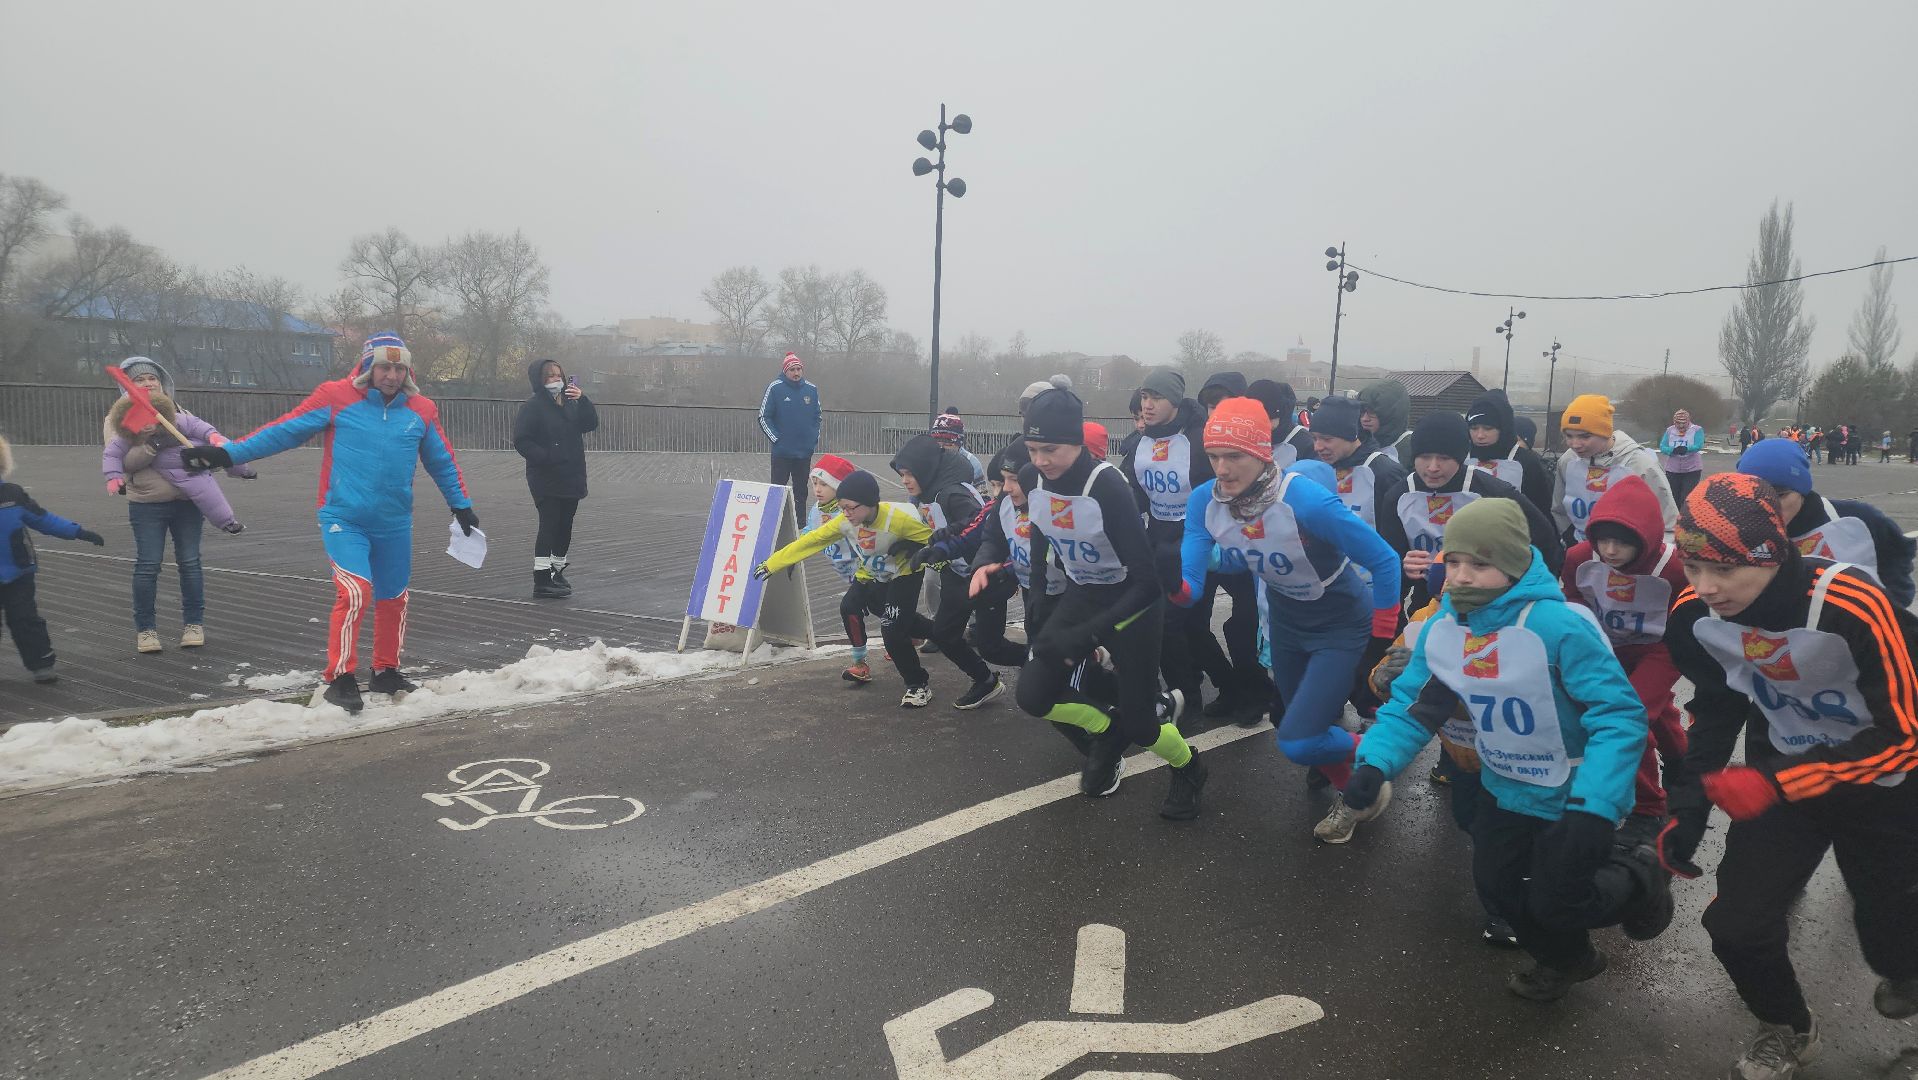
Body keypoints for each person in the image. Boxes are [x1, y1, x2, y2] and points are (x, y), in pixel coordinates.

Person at [1342, 497, 1668, 1001]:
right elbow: (1413, 706)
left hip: (1575, 796)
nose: (1462, 576)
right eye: (1452, 562)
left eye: (1480, 563)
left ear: (1515, 565)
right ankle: (1570, 960)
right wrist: (1375, 763)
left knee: (1559, 900)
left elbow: (1618, 717)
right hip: (1504, 786)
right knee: (1498, 891)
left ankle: (1641, 879)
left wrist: (1597, 804)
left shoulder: (1562, 625)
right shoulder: (1444, 629)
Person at [1660, 473, 1918, 1080]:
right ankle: (1787, 1026)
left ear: (1771, 553)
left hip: (1885, 788)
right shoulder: (1694, 614)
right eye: (1692, 567)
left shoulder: (1852, 602)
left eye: (1723, 568)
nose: (1707, 587)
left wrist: (1778, 783)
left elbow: (1905, 735)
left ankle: (1905, 970)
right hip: (1783, 778)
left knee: (1890, 929)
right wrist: (1687, 806)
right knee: (1735, 926)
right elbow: (1718, 707)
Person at [182, 333, 477, 714]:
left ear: (408, 370)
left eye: (399, 367)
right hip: (344, 517)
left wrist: (461, 505)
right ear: (368, 366)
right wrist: (225, 453)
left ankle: (386, 670)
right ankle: (340, 677)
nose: (391, 375)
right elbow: (282, 432)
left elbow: (441, 459)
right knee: (356, 591)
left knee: (394, 597)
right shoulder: (335, 397)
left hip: (394, 522)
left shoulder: (420, 408)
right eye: (383, 367)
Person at [1169, 398, 1401, 838]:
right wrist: (1170, 582)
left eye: (1234, 456)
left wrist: (1380, 638)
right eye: (1214, 456)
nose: (1221, 468)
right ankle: (1357, 795)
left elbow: (1385, 560)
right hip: (1287, 624)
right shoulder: (1205, 501)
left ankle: (1386, 748)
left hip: (1339, 624)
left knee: (1296, 740)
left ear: (1263, 453)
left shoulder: (1306, 500)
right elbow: (1191, 589)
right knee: (1304, 725)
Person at [1007, 386, 1204, 818]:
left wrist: (1092, 633)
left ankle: (1189, 767)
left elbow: (1148, 582)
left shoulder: (1107, 486)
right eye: (1033, 449)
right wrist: (1037, 594)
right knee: (1034, 695)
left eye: (1051, 450)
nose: (1040, 461)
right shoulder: (1031, 478)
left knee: (1143, 725)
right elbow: (1041, 527)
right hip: (1083, 594)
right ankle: (1106, 732)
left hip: (1133, 603)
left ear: (1077, 442)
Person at [1559, 475, 1691, 851]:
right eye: (1603, 539)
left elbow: (1690, 615)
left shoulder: (1675, 568)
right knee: (1650, 707)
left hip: (1659, 648)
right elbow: (1575, 602)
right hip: (1607, 647)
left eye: (1623, 541)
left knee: (1628, 718)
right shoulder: (1580, 558)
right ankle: (1683, 760)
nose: (1611, 551)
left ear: (1646, 538)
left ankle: (1649, 809)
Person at [755, 469, 940, 705]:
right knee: (861, 609)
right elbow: (812, 539)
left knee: (892, 629)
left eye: (823, 484)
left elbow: (936, 540)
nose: (845, 513)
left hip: (904, 573)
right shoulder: (840, 519)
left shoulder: (896, 518)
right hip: (868, 575)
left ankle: (917, 684)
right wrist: (774, 563)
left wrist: (919, 549)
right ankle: (937, 633)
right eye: (814, 483)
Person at [100, 357, 247, 653]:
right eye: (139, 380)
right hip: (147, 504)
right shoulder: (119, 418)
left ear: (162, 381)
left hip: (187, 503)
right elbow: (125, 462)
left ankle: (194, 625)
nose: (147, 383)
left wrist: (207, 458)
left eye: (151, 378)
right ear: (128, 385)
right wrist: (152, 444)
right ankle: (146, 630)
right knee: (148, 566)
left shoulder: (178, 412)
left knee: (190, 564)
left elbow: (199, 440)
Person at [1123, 367, 1230, 727]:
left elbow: (1221, 491)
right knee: (1178, 624)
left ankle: (1193, 692)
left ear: (1175, 401)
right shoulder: (1139, 442)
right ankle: (1209, 687)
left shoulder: (1199, 440)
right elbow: (1133, 493)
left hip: (1197, 541)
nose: (1148, 405)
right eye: (1144, 397)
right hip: (1158, 540)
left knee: (1175, 622)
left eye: (1156, 398)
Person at [1378, 411, 1562, 617]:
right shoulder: (1399, 495)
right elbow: (1389, 561)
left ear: (1460, 457)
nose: (1432, 467)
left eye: (1444, 458)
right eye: (1424, 457)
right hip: (1428, 605)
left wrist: (1526, 597)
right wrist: (1405, 568)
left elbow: (1546, 543)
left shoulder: (1495, 492)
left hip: (1492, 605)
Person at [891, 434, 1006, 708]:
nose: (904, 480)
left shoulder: (952, 492)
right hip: (956, 574)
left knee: (993, 647)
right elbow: (934, 529)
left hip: (983, 575)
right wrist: (908, 544)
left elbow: (978, 520)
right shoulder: (931, 493)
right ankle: (986, 681)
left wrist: (947, 538)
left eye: (909, 474)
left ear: (926, 469)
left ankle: (1054, 666)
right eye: (902, 474)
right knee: (944, 634)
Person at [1735, 438, 1915, 608]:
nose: (1768, 506)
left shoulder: (1857, 518)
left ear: (1802, 490)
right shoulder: (1730, 529)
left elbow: (1898, 553)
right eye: (1754, 496)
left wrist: (1893, 604)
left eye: (1780, 495)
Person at [1, 432, 107, 683]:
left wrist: (78, 532)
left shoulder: (13, 495)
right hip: (17, 570)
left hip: (17, 572)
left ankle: (41, 664)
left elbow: (43, 519)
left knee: (25, 620)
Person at [513, 357, 598, 599]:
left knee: (565, 525)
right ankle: (541, 578)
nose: (556, 380)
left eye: (559, 376)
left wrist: (582, 399)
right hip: (546, 476)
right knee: (549, 523)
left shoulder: (569, 403)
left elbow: (590, 423)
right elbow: (522, 440)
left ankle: (556, 570)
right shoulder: (533, 407)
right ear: (539, 380)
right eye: (550, 376)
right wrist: (546, 456)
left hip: (571, 474)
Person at [1551, 394, 1676, 545]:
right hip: (1582, 551)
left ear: (1605, 433)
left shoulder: (1640, 465)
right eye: (1569, 436)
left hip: (1630, 557)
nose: (1575, 444)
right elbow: (1560, 509)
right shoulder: (1568, 461)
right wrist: (1570, 540)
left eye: (1585, 436)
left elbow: (1668, 523)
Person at [1311, 395, 1409, 532]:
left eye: (1327, 439)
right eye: (1314, 438)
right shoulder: (1316, 466)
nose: (1318, 447)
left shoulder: (1385, 472)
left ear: (1351, 436)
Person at [1464, 388, 1554, 514]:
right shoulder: (1460, 456)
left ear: (1502, 429)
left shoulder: (1526, 461)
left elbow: (1542, 510)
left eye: (1488, 428)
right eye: (1474, 428)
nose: (1480, 435)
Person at [759, 351, 821, 519]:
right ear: (785, 371)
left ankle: (800, 525)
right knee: (777, 490)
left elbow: (818, 417)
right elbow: (764, 416)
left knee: (801, 491)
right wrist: (776, 439)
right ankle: (773, 523)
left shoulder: (812, 390)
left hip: (803, 452)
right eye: (792, 369)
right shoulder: (775, 388)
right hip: (782, 452)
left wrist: (812, 440)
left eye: (798, 369)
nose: (796, 373)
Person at [1246, 379, 1319, 468]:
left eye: (1268, 419)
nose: (1261, 425)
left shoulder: (1305, 443)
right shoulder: (1248, 437)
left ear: (1281, 414)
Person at [1357, 378, 1414, 463]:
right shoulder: (1357, 444)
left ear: (1391, 414)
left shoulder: (1411, 448)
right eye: (1361, 411)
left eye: (1372, 412)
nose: (1365, 418)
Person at [1658, 408, 1706, 506]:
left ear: (1688, 421)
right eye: (1678, 423)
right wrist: (1672, 450)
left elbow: (1699, 445)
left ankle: (1685, 518)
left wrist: (1687, 448)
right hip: (1673, 469)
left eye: (1683, 424)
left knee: (1686, 497)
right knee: (1673, 497)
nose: (1680, 426)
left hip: (1692, 469)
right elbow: (1663, 446)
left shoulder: (1697, 430)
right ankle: (1674, 518)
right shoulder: (1669, 430)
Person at [930, 409, 986, 482]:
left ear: (959, 444)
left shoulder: (972, 463)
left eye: (947, 444)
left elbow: (981, 492)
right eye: (936, 443)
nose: (941, 448)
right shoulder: (928, 459)